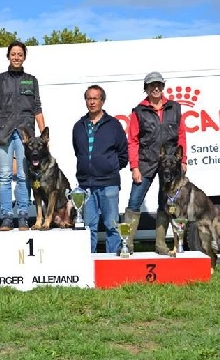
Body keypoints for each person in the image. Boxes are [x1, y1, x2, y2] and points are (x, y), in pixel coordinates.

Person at [124, 71, 187, 253]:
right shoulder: (139, 111)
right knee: (134, 203)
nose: (156, 88)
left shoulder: (174, 108)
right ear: (146, 89)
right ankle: (127, 244)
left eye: (159, 84)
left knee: (165, 204)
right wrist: (134, 167)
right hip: (146, 162)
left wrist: (183, 160)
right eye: (152, 85)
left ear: (163, 87)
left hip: (169, 164)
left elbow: (181, 134)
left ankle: (160, 244)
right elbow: (133, 140)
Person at [0, 40, 45, 231]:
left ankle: (22, 216)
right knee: (4, 176)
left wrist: (44, 137)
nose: (16, 57)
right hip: (3, 133)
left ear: (24, 57)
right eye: (13, 54)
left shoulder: (32, 80)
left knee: (23, 175)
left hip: (25, 134)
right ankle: (6, 217)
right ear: (8, 56)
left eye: (20, 54)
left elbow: (37, 109)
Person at [72, 84, 128, 253]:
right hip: (86, 186)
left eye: (95, 98)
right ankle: (90, 264)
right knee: (89, 227)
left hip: (108, 184)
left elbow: (123, 153)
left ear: (102, 101)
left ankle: (113, 265)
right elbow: (78, 151)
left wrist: (110, 167)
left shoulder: (114, 125)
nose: (92, 102)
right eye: (89, 98)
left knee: (112, 226)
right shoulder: (79, 126)